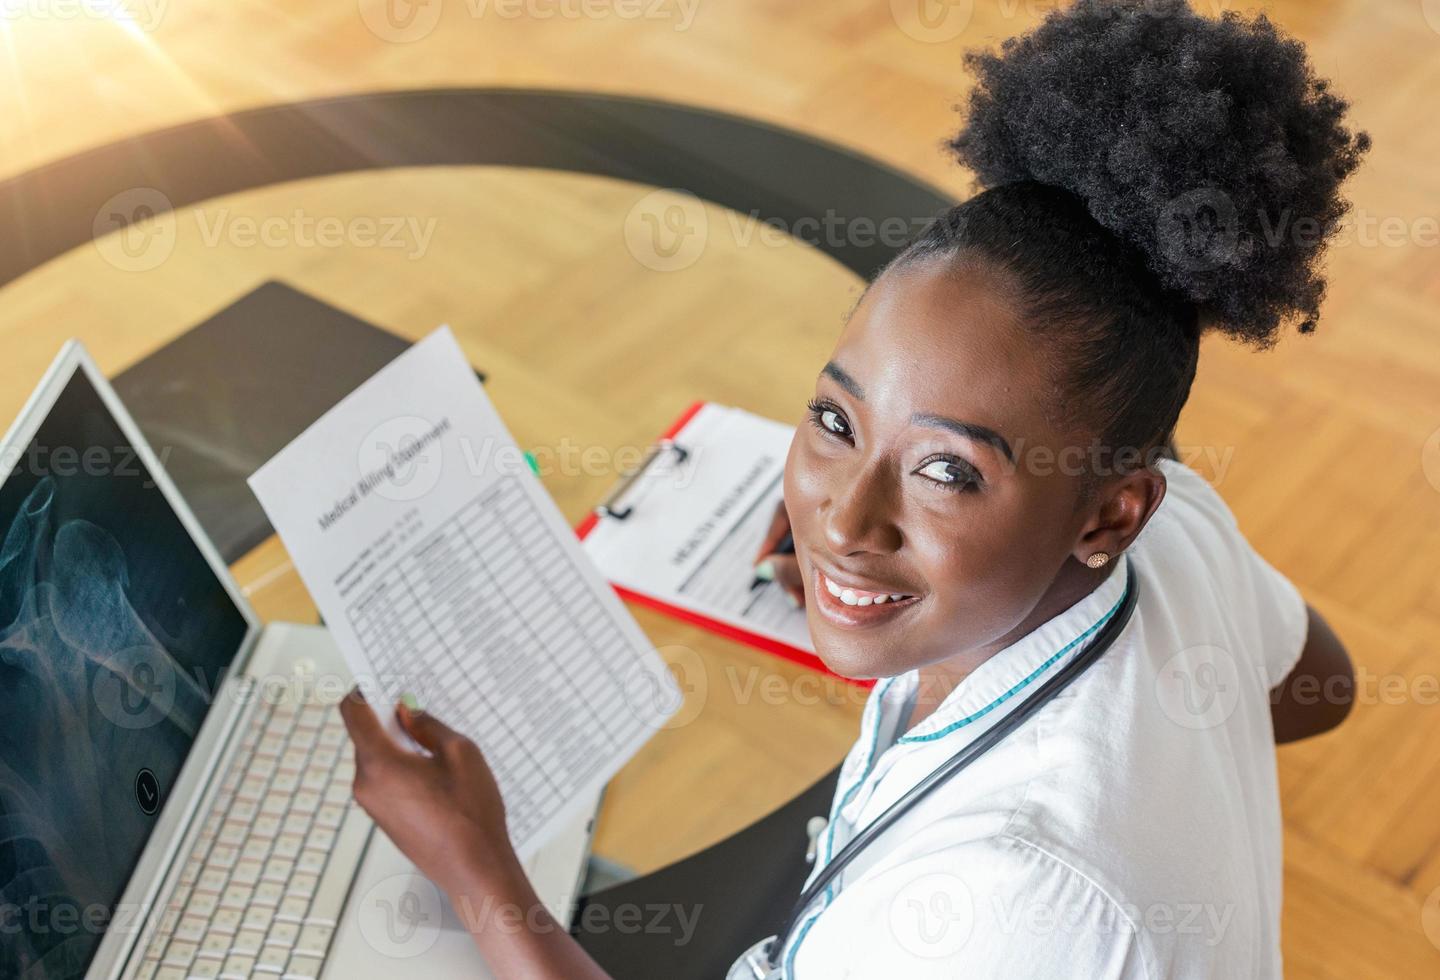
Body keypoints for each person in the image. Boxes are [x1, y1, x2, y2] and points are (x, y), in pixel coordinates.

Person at [337, 0, 1366, 975]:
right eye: (838, 420)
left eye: (949, 471)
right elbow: (1321, 684)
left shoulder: (1012, 895)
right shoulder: (1185, 527)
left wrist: (479, 869)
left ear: (1109, 512)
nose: (839, 514)